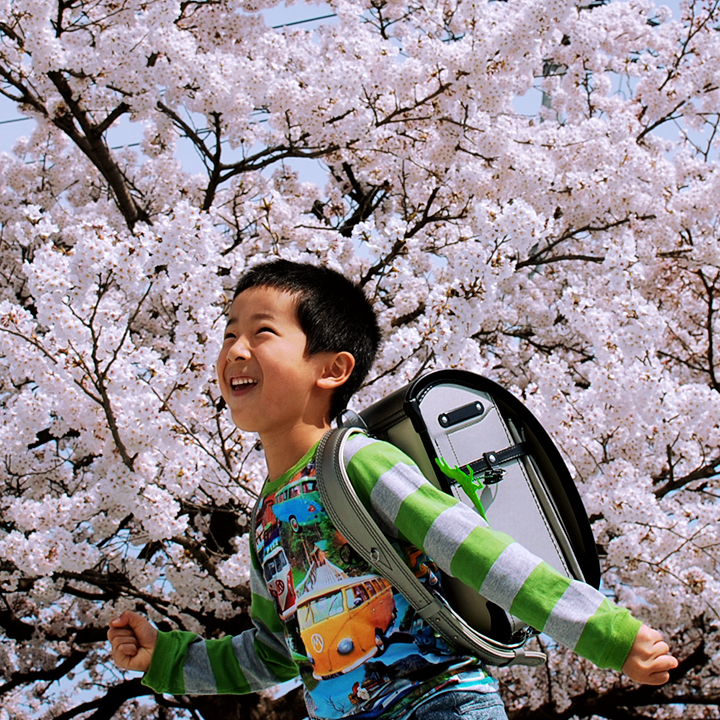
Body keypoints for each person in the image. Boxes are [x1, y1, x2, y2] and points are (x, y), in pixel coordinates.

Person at [108, 259, 677, 720]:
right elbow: (275, 652)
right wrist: (169, 657)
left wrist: (607, 634)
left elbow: (476, 550)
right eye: (229, 333)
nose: (234, 350)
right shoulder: (265, 521)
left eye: (261, 333)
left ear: (331, 369)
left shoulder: (357, 461)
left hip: (439, 702)